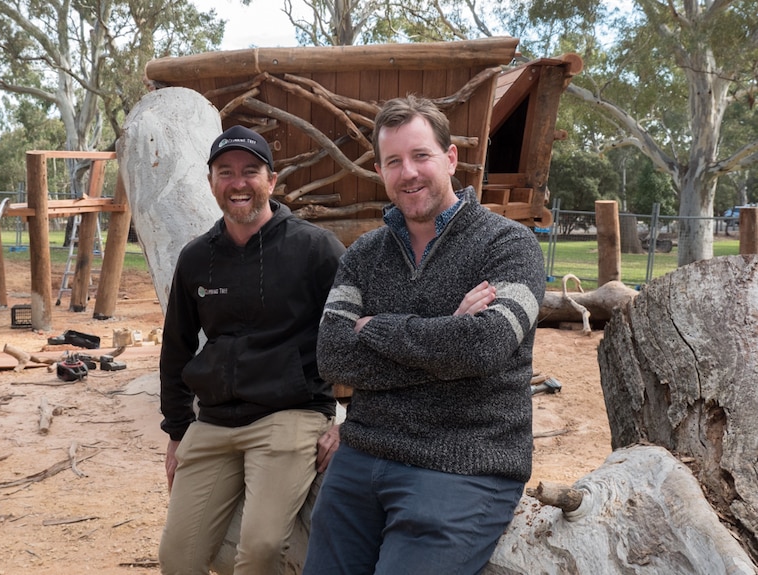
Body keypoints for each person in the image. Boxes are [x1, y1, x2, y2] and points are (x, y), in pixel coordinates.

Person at [303, 95, 546, 575]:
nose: (408, 172)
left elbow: (487, 346)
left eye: (421, 156)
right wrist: (449, 332)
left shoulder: (509, 244)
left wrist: (378, 327)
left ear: (450, 158)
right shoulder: (364, 255)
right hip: (363, 455)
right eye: (394, 161)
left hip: (466, 463)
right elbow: (332, 357)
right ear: (380, 170)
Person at [158, 125, 346, 575]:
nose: (238, 182)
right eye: (225, 172)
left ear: (272, 181)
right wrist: (177, 430)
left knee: (260, 549)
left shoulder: (315, 249)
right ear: (211, 183)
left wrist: (350, 424)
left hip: (290, 415)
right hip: (215, 421)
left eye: (250, 171)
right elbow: (176, 348)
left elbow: (365, 335)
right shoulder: (196, 257)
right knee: (177, 559)